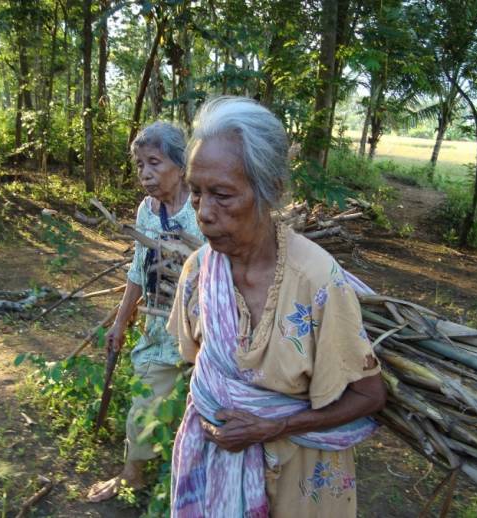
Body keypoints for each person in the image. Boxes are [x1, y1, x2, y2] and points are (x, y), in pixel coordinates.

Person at [167, 97, 387, 517]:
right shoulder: (199, 272)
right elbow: (199, 365)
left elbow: (369, 394)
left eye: (223, 195)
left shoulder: (317, 281)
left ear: (271, 191)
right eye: (195, 193)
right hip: (219, 461)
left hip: (300, 477)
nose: (205, 214)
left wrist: (277, 425)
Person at [87, 121, 204, 503]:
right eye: (140, 165)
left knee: (203, 408)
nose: (145, 173)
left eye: (154, 162)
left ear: (180, 163)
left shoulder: (201, 209)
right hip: (159, 324)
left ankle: (193, 484)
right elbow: (138, 270)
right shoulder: (147, 211)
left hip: (203, 328)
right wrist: (121, 321)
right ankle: (132, 476)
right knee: (145, 398)